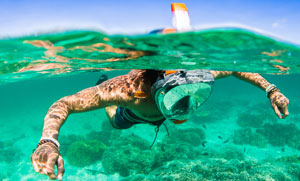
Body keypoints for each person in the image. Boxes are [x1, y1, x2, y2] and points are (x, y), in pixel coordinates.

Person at [31, 68, 289, 180]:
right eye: (176, 97)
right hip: (135, 113)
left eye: (194, 94)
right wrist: (48, 141)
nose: (186, 106)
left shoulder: (196, 74)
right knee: (116, 123)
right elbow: (63, 103)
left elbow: (236, 69)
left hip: (153, 109)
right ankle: (103, 87)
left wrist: (271, 89)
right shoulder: (129, 91)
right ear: (156, 91)